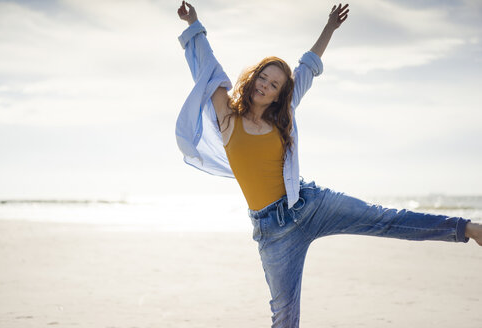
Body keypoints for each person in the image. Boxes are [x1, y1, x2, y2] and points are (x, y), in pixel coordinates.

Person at [175, 1, 482, 327]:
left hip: (309, 204)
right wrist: (194, 23)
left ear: (280, 94)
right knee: (285, 317)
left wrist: (330, 27)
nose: (265, 85)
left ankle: (466, 228)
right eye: (263, 78)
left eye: (274, 84)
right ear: (253, 78)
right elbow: (207, 66)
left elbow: (307, 68)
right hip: (273, 232)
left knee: (382, 219)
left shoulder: (285, 112)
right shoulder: (227, 115)